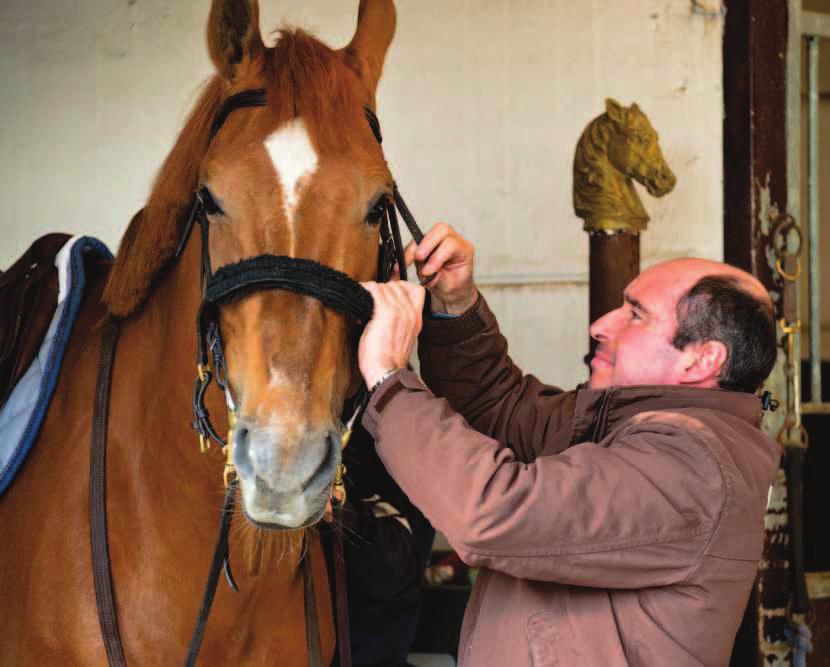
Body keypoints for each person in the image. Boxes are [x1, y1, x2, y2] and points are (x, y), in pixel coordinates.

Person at [354, 223, 780, 667]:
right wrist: (454, 306)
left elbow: (497, 512)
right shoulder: (621, 426)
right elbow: (502, 412)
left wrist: (389, 379)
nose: (599, 325)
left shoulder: (695, 470)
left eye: (635, 315)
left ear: (701, 359)